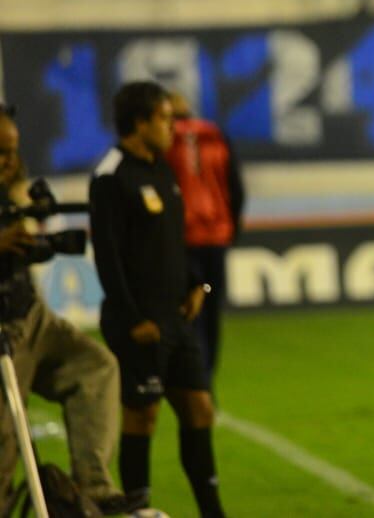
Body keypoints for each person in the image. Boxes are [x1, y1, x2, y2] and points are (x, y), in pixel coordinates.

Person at [89, 82, 225, 517]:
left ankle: (212, 510)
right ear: (140, 122)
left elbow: (172, 241)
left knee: (200, 407)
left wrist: (195, 283)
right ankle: (138, 510)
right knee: (141, 416)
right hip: (139, 321)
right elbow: (108, 255)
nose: (173, 127)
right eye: (165, 118)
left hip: (176, 318)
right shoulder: (111, 174)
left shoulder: (162, 168)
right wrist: (132, 319)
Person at [0, 106, 132, 515]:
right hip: (3, 334)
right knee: (4, 441)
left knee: (96, 366)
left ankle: (94, 487)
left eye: (13, 151)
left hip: (31, 316)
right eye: (1, 152)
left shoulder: (11, 186)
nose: (9, 161)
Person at [165, 93, 242, 387]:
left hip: (184, 242)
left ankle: (193, 379)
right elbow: (236, 187)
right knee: (210, 306)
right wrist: (231, 230)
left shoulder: (167, 139)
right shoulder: (215, 134)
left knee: (189, 308)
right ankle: (207, 377)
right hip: (216, 240)